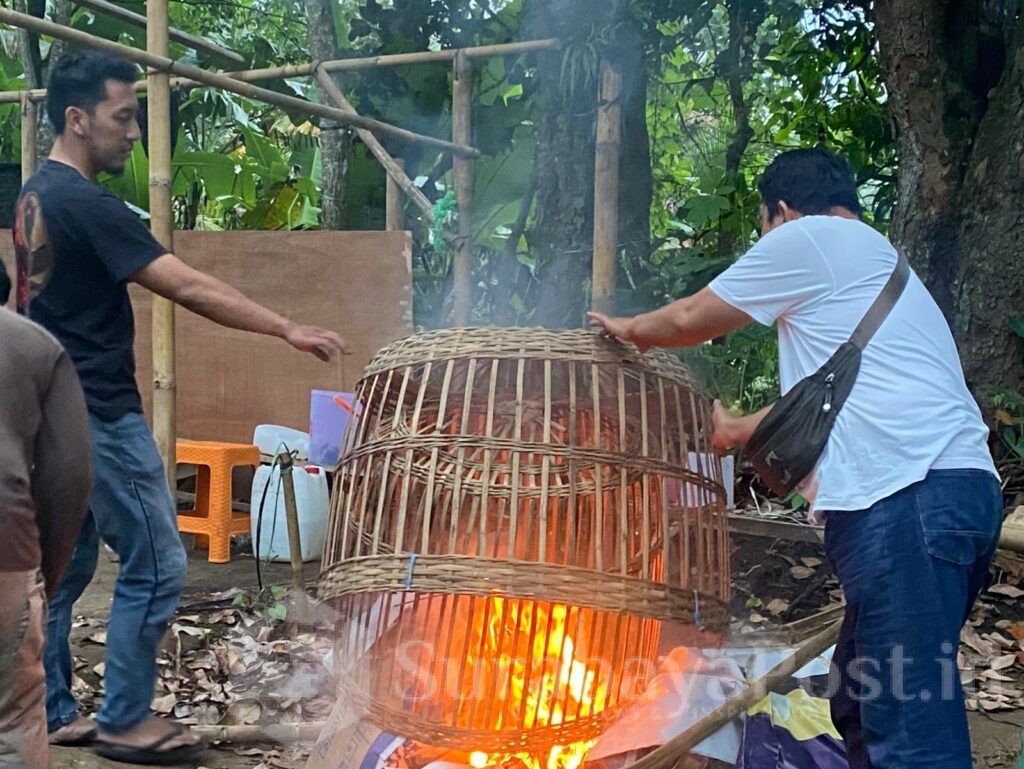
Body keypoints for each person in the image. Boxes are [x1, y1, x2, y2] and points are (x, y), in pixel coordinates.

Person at [589, 147, 1000, 769]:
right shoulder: (873, 262)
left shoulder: (812, 237)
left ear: (779, 212)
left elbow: (692, 317)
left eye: (762, 228)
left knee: (910, 728)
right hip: (945, 498)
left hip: (906, 501)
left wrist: (631, 330)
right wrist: (736, 429)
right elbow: (831, 401)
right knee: (862, 701)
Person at [14, 51, 348, 764]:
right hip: (98, 409)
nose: (133, 134)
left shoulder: (31, 197)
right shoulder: (86, 204)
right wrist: (284, 326)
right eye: (122, 116)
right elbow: (186, 285)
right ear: (78, 119)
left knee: (66, 568)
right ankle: (127, 717)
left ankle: (53, 708)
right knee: (161, 561)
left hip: (43, 413)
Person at [0, 308, 91, 769]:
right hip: (5, 557)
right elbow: (69, 475)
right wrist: (44, 577)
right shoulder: (35, 345)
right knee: (12, 722)